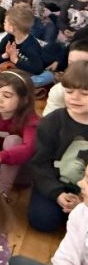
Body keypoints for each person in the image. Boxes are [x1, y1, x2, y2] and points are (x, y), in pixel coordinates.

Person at [27, 61, 88, 233]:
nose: (74, 97)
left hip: (85, 190)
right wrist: (57, 193)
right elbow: (39, 163)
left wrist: (83, 199)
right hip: (53, 183)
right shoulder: (53, 121)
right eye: (69, 91)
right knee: (43, 220)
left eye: (84, 93)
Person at [0, 6, 53, 95]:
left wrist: (16, 60)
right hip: (4, 71)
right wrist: (5, 55)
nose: (3, 24)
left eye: (5, 22)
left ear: (12, 27)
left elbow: (37, 69)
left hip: (21, 75)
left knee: (48, 76)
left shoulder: (31, 45)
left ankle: (10, 86)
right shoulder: (9, 37)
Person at [44, 38, 88, 115]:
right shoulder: (59, 90)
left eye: (83, 65)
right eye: (71, 63)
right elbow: (48, 122)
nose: (75, 69)